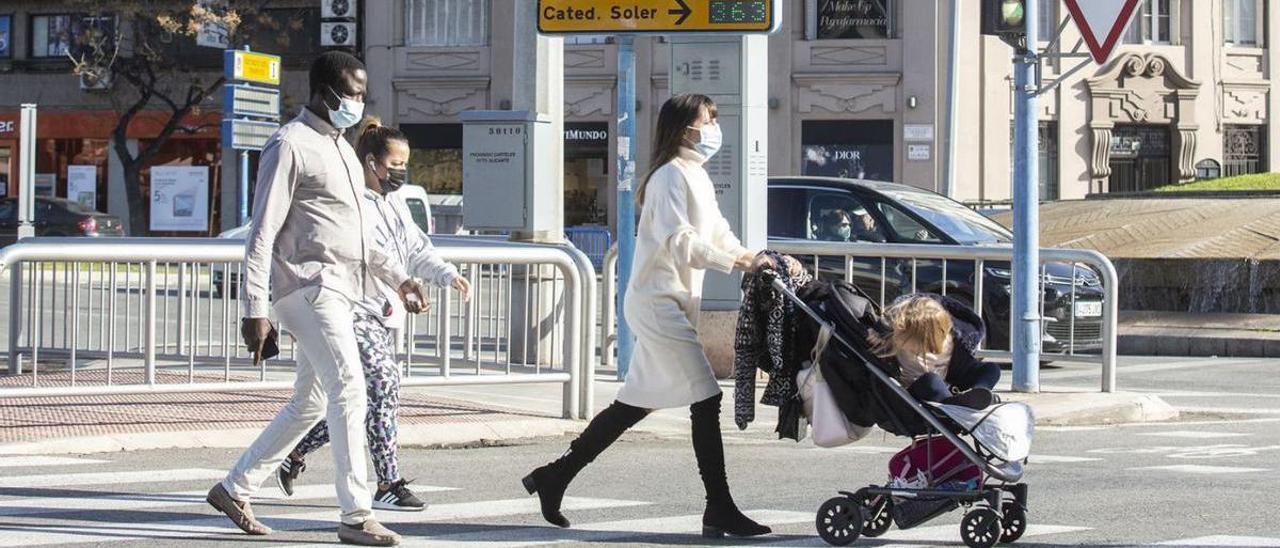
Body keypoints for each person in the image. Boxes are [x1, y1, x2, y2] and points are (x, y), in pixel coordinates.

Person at [522, 94, 772, 540]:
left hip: (671, 301)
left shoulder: (695, 174)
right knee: (707, 398)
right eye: (707, 119)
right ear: (683, 128)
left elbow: (718, 234)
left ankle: (554, 476)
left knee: (633, 405)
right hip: (657, 303)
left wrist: (750, 255)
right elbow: (681, 241)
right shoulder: (668, 178)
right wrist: (737, 263)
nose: (714, 125)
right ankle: (719, 507)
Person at [206, 51, 421, 547]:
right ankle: (355, 515)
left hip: (342, 290)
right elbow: (261, 233)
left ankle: (235, 488)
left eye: (363, 93)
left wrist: (399, 277)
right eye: (352, 93)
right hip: (305, 286)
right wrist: (254, 310)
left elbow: (360, 234)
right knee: (350, 387)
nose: (359, 102)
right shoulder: (289, 144)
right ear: (324, 92)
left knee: (311, 401)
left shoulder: (345, 148)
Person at [274, 118, 472, 512]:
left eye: (405, 164)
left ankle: (294, 450)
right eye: (395, 164)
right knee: (383, 383)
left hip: (380, 313)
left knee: (355, 399)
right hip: (347, 306)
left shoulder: (394, 201)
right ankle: (387, 483)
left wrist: (446, 275)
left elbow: (415, 247)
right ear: (370, 162)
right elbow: (363, 254)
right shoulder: (349, 200)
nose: (400, 171)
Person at [874, 295, 1001, 410]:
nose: (900, 340)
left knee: (991, 369)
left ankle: (979, 392)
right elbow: (887, 323)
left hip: (953, 386)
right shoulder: (898, 335)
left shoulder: (951, 342)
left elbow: (964, 366)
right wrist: (876, 333)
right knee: (931, 381)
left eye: (915, 348)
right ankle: (953, 404)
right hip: (921, 391)